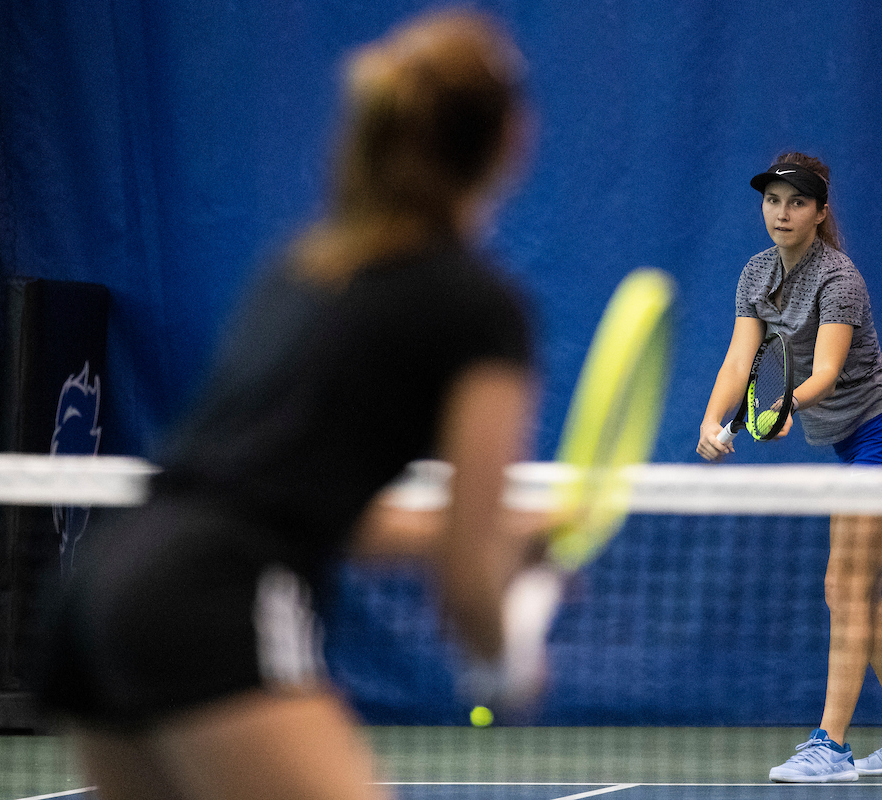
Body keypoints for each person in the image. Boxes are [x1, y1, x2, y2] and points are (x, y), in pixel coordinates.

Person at [39, 10, 545, 800]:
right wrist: (506, 657)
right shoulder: (481, 308)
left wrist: (488, 532)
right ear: (512, 138)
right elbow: (467, 584)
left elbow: (293, 497)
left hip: (99, 591)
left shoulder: (300, 272)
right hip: (214, 596)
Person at [696, 153, 882, 783]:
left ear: (819, 212)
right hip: (852, 444)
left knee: (845, 589)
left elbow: (828, 372)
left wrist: (782, 405)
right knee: (858, 594)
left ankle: (830, 746)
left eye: (797, 202)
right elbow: (739, 360)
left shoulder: (840, 278)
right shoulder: (756, 274)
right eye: (773, 200)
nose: (782, 213)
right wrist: (712, 418)